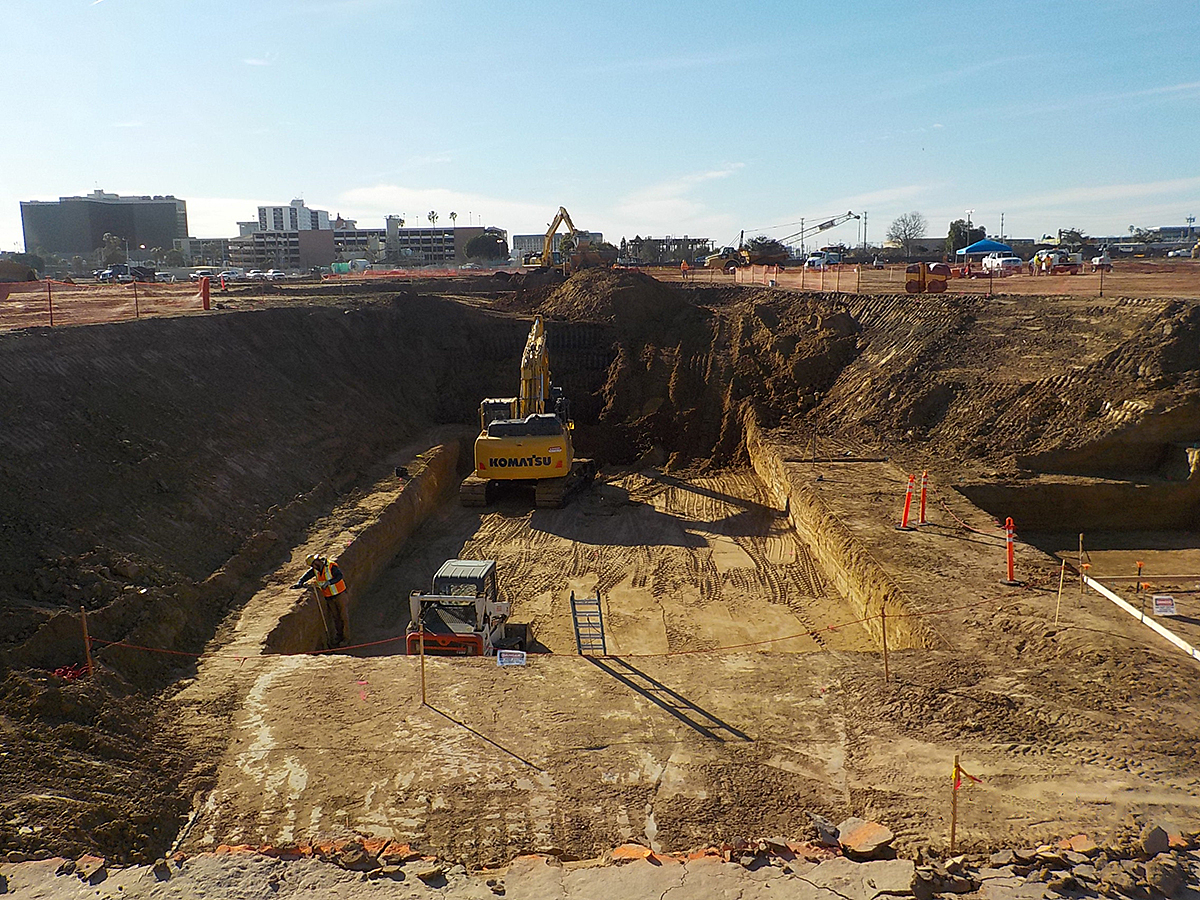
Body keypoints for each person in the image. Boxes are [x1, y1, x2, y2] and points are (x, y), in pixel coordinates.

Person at [295, 553, 348, 645]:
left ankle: (346, 639)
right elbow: (307, 576)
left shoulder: (331, 566)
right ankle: (339, 636)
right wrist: (300, 582)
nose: (315, 565)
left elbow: (339, 576)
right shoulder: (316, 570)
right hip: (329, 597)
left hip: (339, 594)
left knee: (343, 617)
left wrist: (329, 582)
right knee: (336, 618)